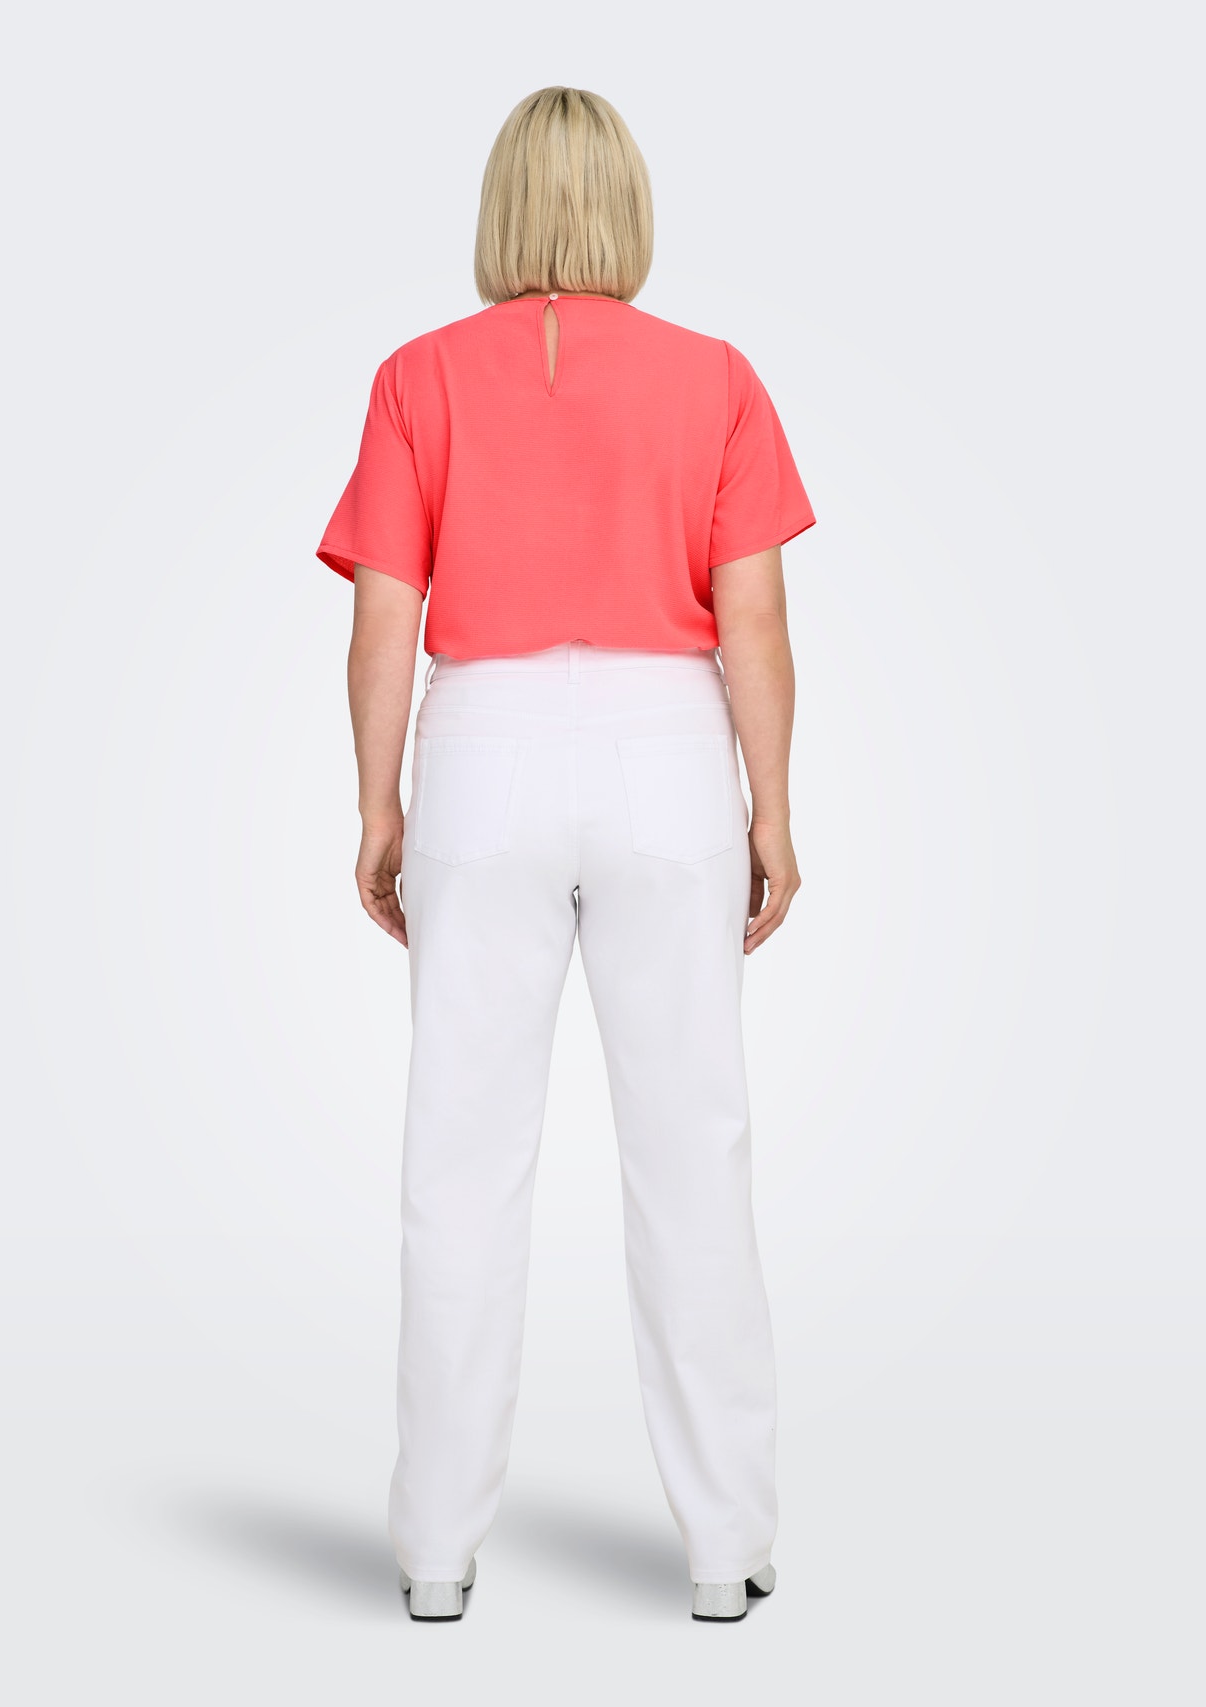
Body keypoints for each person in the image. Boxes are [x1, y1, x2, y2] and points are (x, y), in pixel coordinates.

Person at [315, 85, 815, 1623]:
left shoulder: (420, 376)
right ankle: (726, 1547)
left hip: (484, 749)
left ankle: (433, 1551)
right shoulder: (714, 377)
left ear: (502, 210)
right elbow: (753, 622)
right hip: (669, 751)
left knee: (460, 1159)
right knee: (695, 1149)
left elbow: (384, 619)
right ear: (629, 208)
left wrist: (381, 804)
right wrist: (772, 807)